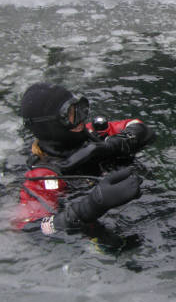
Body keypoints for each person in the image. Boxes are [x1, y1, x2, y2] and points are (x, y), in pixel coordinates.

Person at [15, 82, 156, 250]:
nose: (82, 117)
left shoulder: (92, 134)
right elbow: (32, 229)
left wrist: (113, 145)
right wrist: (89, 207)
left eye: (80, 107)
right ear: (50, 126)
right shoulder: (43, 176)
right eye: (71, 114)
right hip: (103, 232)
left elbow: (140, 127)